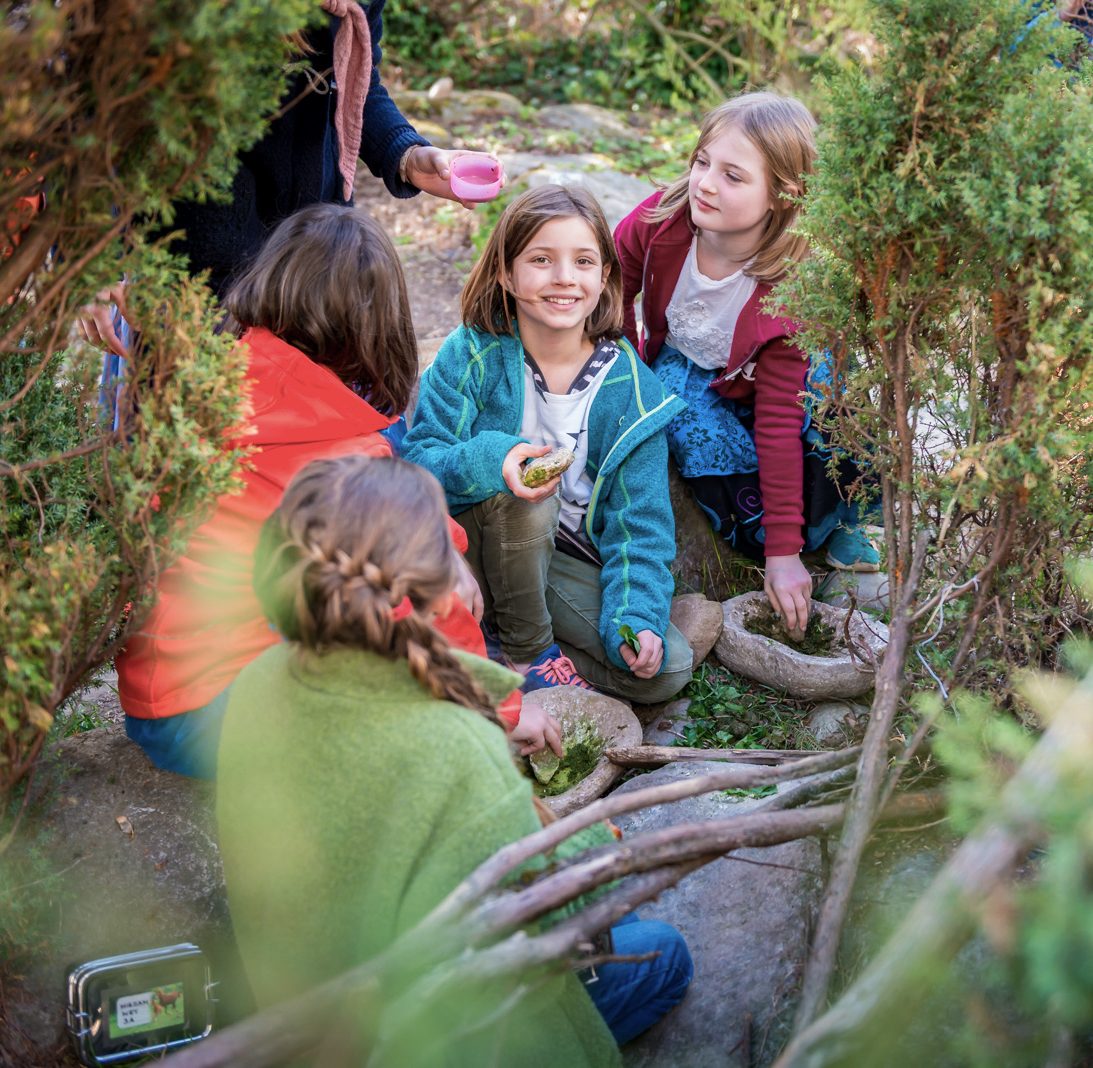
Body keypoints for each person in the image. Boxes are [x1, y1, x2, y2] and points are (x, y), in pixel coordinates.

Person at [219, 454, 691, 1059]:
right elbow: (543, 913)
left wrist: (496, 699)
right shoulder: (451, 746)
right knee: (661, 951)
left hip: (310, 1003)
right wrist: (594, 843)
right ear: (434, 584)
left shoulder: (258, 682)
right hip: (426, 1034)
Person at [115, 204, 558, 778]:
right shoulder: (347, 455)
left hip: (155, 690)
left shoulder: (215, 372)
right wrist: (500, 706)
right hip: (219, 714)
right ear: (378, 326)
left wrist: (443, 542)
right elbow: (416, 607)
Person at [75, 0, 502, 353]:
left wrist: (408, 155)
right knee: (199, 431)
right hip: (197, 260)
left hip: (312, 259)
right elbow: (96, 112)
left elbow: (357, 81)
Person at [402, 185, 693, 703]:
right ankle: (528, 652)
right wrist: (496, 460)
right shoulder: (471, 352)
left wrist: (636, 616)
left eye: (583, 261)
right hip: (465, 546)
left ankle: (492, 648)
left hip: (557, 562)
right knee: (528, 499)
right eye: (541, 259)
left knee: (665, 670)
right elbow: (420, 459)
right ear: (505, 273)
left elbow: (641, 524)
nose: (563, 278)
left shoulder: (631, 389)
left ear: (604, 277)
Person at [613, 92, 879, 642]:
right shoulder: (661, 222)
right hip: (691, 363)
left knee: (831, 404)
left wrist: (785, 555)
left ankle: (833, 526)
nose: (705, 183)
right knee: (685, 427)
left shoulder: (790, 289)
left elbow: (778, 419)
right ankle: (759, 530)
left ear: (784, 195)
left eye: (733, 176)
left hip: (774, 379)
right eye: (702, 161)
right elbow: (613, 288)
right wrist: (626, 369)